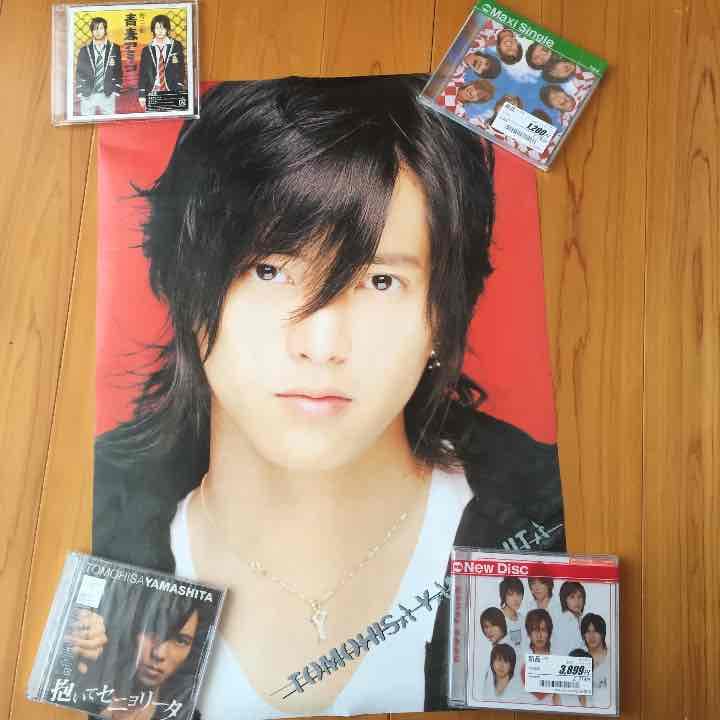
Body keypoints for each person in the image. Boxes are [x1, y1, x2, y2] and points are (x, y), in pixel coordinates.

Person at [94, 76, 562, 717]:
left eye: (380, 280)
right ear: (186, 286)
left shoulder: (547, 521)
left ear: (443, 316)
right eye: (269, 270)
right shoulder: (98, 521)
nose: (322, 344)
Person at [64, 587, 213, 719]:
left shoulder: (184, 714)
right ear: (133, 627)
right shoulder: (79, 684)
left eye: (180, 641)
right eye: (152, 630)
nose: (159, 654)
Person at [75, 17, 123, 116]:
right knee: (86, 121)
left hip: (107, 93)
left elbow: (118, 70)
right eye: (95, 29)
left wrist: (115, 90)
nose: (98, 32)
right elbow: (79, 71)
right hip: (88, 94)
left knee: (109, 121)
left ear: (105, 30)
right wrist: (81, 91)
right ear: (92, 31)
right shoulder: (84, 50)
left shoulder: (115, 48)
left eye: (101, 28)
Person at [138, 14, 186, 110]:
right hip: (153, 89)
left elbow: (181, 67)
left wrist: (179, 85)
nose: (160, 31)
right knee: (154, 116)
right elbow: (143, 73)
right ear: (153, 29)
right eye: (157, 28)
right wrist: (142, 95)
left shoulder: (176, 45)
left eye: (163, 27)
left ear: (167, 29)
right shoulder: (146, 50)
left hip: (172, 88)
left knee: (172, 115)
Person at [520, 608, 558, 705]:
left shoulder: (557, 658)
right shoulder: (522, 661)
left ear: (549, 633)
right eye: (535, 630)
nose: (539, 635)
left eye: (543, 630)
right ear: (529, 633)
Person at [582, 613, 611, 708]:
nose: (591, 636)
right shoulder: (580, 659)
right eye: (588, 631)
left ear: (602, 634)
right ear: (583, 635)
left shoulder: (613, 656)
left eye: (595, 631)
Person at [554, 580, 586, 655]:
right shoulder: (564, 621)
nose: (577, 601)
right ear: (565, 600)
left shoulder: (581, 619)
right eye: (572, 597)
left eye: (580, 597)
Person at [498, 577, 524, 650]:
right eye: (510, 594)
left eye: (518, 594)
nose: (516, 599)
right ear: (504, 596)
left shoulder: (523, 619)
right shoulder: (498, 619)